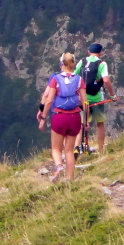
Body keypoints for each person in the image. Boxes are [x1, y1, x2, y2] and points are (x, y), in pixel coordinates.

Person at [38, 53, 87, 181]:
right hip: (75, 117)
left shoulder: (56, 79)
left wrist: (43, 118)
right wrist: (85, 121)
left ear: (61, 63)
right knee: (69, 150)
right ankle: (70, 179)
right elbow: (84, 101)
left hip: (59, 117)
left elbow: (49, 100)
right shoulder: (79, 79)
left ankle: (59, 166)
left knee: (56, 148)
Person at [74, 43, 116, 153]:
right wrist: (112, 95)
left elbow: (74, 76)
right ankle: (101, 149)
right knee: (100, 124)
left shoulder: (82, 61)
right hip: (97, 98)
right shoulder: (101, 63)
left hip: (83, 98)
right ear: (101, 52)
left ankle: (77, 147)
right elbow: (105, 80)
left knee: (81, 123)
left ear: (89, 52)